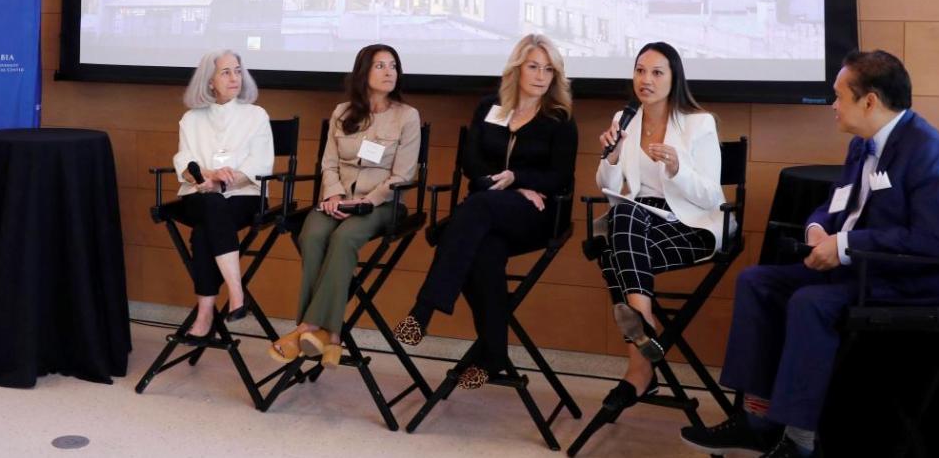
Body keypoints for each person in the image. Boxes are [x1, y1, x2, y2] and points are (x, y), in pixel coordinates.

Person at [680, 50, 939, 458]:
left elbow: (933, 242)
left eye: (838, 96)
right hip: (858, 270)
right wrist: (817, 228)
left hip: (904, 280)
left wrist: (846, 247)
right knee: (756, 281)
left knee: (810, 302)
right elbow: (837, 205)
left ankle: (799, 441)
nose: (832, 105)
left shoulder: (926, 151)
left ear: (869, 101)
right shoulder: (861, 146)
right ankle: (755, 421)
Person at [393, 34, 576, 388]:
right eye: (533, 67)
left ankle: (424, 309)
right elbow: (471, 161)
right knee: (485, 253)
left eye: (548, 70)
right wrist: (508, 184)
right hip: (489, 208)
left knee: (469, 217)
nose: (541, 76)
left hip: (537, 215)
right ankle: (493, 356)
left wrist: (518, 177)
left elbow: (560, 176)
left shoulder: (559, 118)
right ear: (517, 69)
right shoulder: (490, 107)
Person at [590, 42, 725, 411]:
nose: (645, 80)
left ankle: (639, 367)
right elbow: (607, 184)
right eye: (639, 70)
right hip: (638, 221)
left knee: (613, 249)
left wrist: (679, 167)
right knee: (624, 216)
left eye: (656, 72)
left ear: (673, 78)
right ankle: (645, 336)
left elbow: (712, 196)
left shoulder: (699, 123)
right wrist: (613, 156)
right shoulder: (625, 118)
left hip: (690, 224)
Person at [269, 45, 420, 366]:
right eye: (380, 65)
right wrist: (334, 194)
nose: (389, 71)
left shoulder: (407, 116)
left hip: (381, 204)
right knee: (311, 234)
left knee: (345, 237)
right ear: (363, 72)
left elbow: (403, 175)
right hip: (339, 199)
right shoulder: (342, 112)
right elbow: (329, 164)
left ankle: (310, 328)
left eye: (393, 65)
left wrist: (368, 200)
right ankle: (330, 337)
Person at [168, 50, 274, 341]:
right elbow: (184, 163)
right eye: (226, 72)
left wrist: (225, 182)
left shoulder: (256, 115)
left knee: (205, 229)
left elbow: (261, 165)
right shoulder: (191, 118)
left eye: (238, 71)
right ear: (209, 81)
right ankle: (237, 293)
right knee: (210, 205)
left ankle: (205, 314)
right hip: (199, 195)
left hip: (245, 196)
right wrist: (207, 176)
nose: (234, 77)